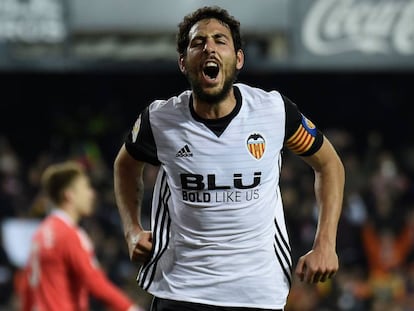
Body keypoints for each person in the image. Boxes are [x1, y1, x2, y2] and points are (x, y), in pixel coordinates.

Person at [113, 5, 345, 311]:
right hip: (181, 290)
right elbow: (125, 166)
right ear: (183, 63)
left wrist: (325, 245)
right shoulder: (160, 120)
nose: (209, 47)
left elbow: (329, 165)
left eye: (220, 40)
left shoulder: (272, 112)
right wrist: (131, 230)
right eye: (198, 43)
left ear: (238, 59)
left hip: (257, 293)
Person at [19, 161, 142, 311]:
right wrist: (130, 307)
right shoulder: (70, 235)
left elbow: (26, 287)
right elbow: (94, 280)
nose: (91, 194)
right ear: (69, 195)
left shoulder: (39, 235)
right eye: (85, 187)